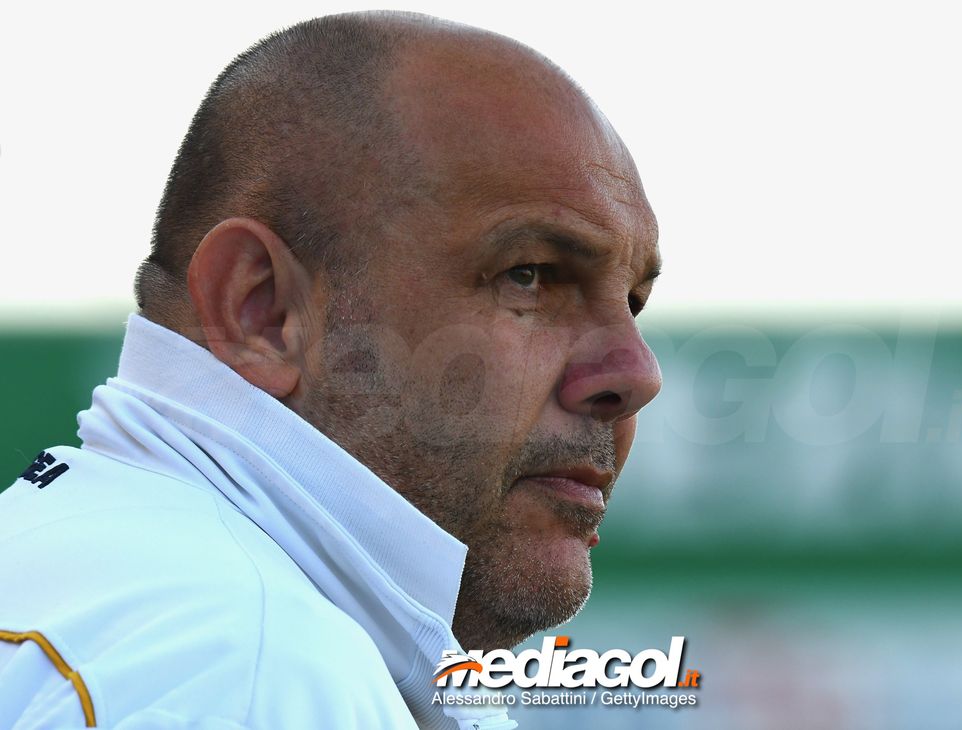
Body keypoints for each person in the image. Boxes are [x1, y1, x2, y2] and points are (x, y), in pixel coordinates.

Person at [0, 10, 661, 729]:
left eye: (632, 301)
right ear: (262, 311)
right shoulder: (252, 669)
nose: (636, 373)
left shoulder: (102, 577)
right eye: (530, 275)